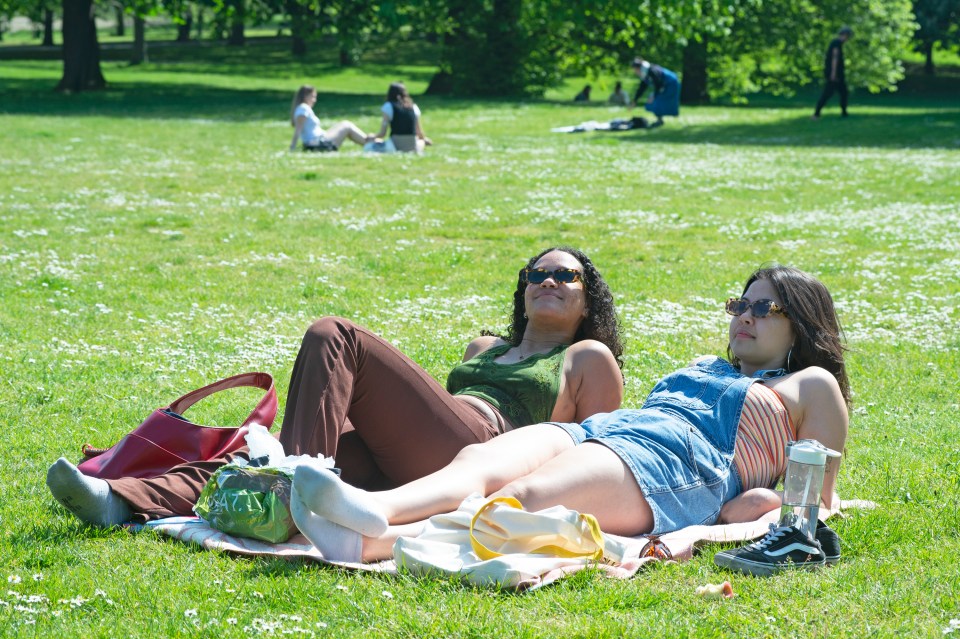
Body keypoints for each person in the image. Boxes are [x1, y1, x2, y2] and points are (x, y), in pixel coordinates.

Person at [290, 265, 850, 574]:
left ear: (799, 323)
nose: (744, 317)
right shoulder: (706, 365)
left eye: (763, 309)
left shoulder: (808, 386)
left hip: (674, 464)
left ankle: (371, 543)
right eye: (739, 306)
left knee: (525, 496)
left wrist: (737, 520)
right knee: (478, 462)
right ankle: (372, 509)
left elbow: (815, 508)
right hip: (607, 431)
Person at [46, 247, 626, 528]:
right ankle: (125, 501)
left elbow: (596, 447)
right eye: (536, 274)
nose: (547, 281)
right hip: (428, 449)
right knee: (257, 451)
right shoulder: (486, 348)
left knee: (335, 335)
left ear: (586, 297)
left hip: (490, 449)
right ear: (523, 290)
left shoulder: (586, 357)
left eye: (564, 276)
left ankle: (289, 490)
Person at [289, 84, 371, 152]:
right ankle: (371, 144)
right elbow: (298, 130)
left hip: (318, 141)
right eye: (312, 97)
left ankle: (369, 142)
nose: (314, 100)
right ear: (305, 96)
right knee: (347, 125)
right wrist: (292, 148)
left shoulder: (302, 108)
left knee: (344, 124)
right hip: (317, 144)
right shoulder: (303, 108)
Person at [368, 82, 433, 154]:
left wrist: (373, 136)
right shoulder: (413, 107)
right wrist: (424, 139)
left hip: (395, 146)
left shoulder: (388, 106)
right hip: (412, 146)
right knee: (421, 141)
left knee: (373, 142)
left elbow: (383, 134)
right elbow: (419, 133)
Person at [812, 27, 853, 120]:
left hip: (837, 74)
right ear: (845, 35)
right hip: (835, 74)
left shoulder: (838, 44)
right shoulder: (836, 43)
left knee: (843, 93)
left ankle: (844, 113)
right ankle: (816, 113)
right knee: (827, 93)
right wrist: (833, 73)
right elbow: (835, 58)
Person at [631, 57, 681, 128]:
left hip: (671, 82)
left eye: (635, 70)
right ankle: (659, 119)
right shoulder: (646, 72)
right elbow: (642, 88)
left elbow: (658, 84)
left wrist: (654, 95)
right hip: (665, 84)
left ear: (638, 68)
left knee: (657, 100)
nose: (635, 72)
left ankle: (659, 121)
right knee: (654, 100)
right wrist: (635, 100)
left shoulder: (652, 70)